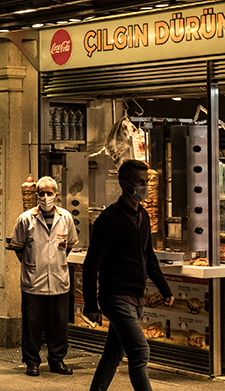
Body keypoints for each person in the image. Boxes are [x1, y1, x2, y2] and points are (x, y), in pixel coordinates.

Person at [84, 159, 174, 391]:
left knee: (113, 354)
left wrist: (164, 289)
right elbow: (91, 264)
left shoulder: (143, 216)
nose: (144, 187)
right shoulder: (109, 220)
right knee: (139, 352)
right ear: (125, 184)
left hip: (136, 297)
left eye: (146, 182)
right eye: (139, 182)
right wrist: (91, 305)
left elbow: (149, 256)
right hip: (115, 296)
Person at [9, 176, 78, 376]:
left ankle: (57, 361)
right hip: (33, 281)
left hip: (59, 281)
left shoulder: (66, 218)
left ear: (56, 195)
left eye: (49, 193)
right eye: (42, 193)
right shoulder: (25, 219)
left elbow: (70, 246)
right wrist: (32, 264)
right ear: (36, 195)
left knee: (59, 325)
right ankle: (32, 362)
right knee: (32, 325)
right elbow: (18, 248)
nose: (45, 197)